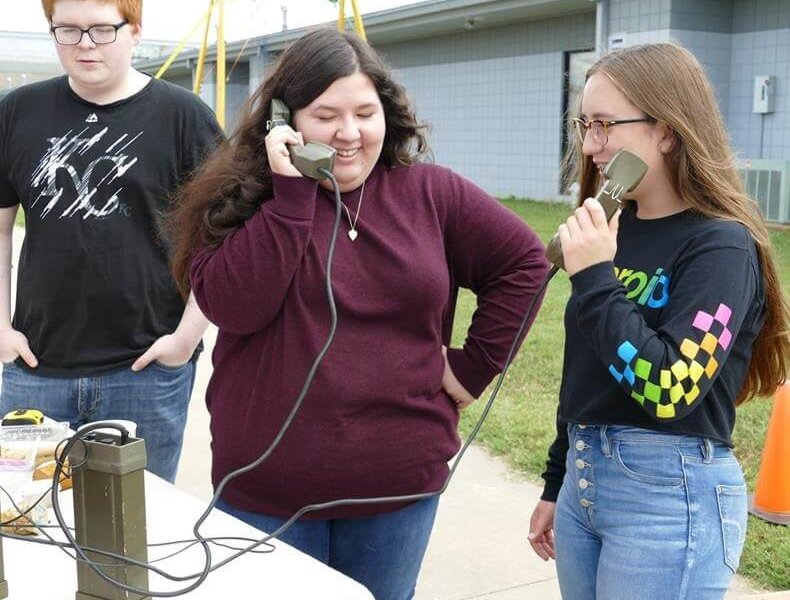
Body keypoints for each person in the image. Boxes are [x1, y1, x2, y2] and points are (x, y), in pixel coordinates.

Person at [170, 27, 550, 600]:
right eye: (326, 116)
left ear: (386, 115)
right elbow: (233, 307)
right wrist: (291, 197)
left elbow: (524, 263)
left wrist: (475, 367)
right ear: (282, 119)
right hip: (266, 491)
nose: (349, 134)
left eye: (365, 113)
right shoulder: (242, 199)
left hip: (395, 490)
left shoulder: (432, 193)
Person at [527, 42, 790, 600]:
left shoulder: (722, 247)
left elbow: (671, 387)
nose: (592, 145)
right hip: (585, 478)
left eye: (605, 125)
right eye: (585, 125)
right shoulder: (613, 230)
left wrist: (597, 277)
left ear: (667, 131)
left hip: (668, 498)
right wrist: (558, 480)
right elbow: (585, 371)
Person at [0, 0, 223, 482]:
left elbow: (224, 235)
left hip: (144, 372)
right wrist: (1, 328)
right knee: (27, 529)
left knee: (133, 535)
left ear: (135, 29)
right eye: (68, 30)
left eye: (102, 29)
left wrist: (186, 338)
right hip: (34, 369)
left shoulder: (184, 117)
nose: (84, 44)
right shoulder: (17, 112)